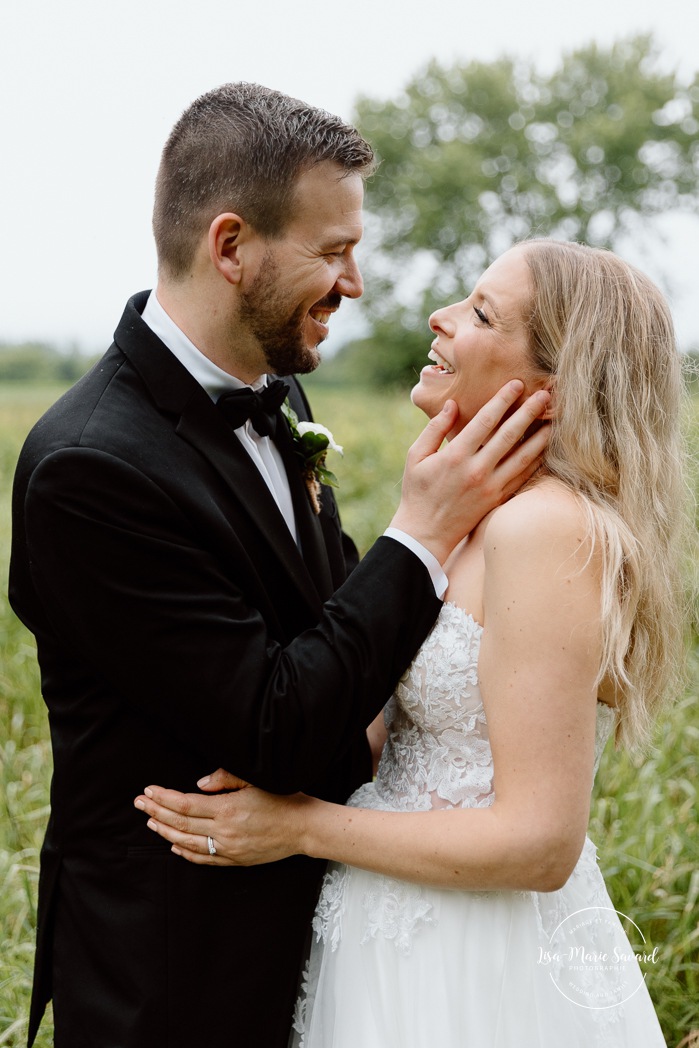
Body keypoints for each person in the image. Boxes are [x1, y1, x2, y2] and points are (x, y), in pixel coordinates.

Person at [8, 84, 550, 1048]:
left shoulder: (278, 391)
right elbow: (279, 730)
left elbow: (328, 617)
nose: (355, 283)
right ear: (230, 246)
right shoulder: (89, 469)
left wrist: (365, 706)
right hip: (177, 978)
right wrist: (420, 535)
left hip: (340, 949)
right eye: (332, 251)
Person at [137, 240, 689, 1047]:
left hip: (475, 960)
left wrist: (298, 827)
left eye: (479, 312)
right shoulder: (466, 512)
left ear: (551, 386)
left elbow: (540, 842)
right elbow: (405, 726)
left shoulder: (543, 530)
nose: (439, 316)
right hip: (387, 932)